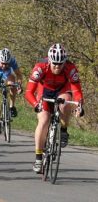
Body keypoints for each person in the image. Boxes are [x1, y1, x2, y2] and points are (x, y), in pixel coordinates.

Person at [25, 43, 84, 173]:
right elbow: (29, 92)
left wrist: (79, 105)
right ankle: (38, 158)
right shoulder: (40, 68)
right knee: (44, 120)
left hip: (62, 90)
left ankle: (63, 130)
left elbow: (77, 91)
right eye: (54, 63)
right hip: (44, 91)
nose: (57, 67)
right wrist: (36, 104)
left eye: (60, 64)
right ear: (49, 60)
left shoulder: (70, 68)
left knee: (65, 102)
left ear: (64, 62)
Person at [0, 48, 23, 135]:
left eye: (6, 64)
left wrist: (19, 86)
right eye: (2, 63)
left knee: (12, 84)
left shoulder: (12, 61)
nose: (4, 66)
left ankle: (11, 106)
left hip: (7, 73)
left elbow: (19, 75)